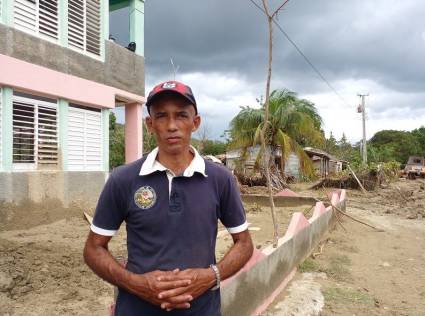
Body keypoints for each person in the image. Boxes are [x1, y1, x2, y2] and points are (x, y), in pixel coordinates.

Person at [84, 81, 254, 315]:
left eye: (181, 115)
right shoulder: (123, 179)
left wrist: (209, 276)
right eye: (162, 116)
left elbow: (244, 244)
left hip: (202, 310)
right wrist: (136, 284)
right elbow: (93, 249)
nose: (172, 125)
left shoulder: (220, 179)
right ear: (150, 124)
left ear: (195, 123)